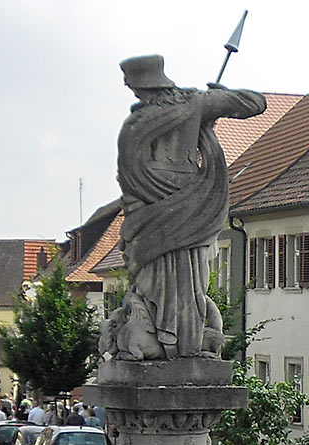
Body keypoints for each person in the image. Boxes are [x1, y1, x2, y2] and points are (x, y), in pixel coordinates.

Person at [103, 55, 265, 361]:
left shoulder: (137, 122)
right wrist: (220, 95)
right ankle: (182, 340)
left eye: (135, 89)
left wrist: (212, 101)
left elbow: (129, 174)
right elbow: (255, 103)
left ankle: (170, 339)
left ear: (143, 86)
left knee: (156, 275)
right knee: (189, 275)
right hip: (189, 200)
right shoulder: (194, 104)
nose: (135, 96)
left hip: (154, 208)